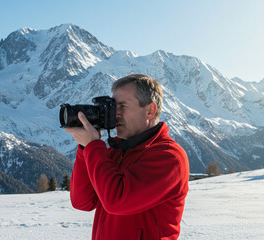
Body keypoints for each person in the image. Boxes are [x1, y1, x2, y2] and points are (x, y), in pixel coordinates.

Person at [65, 74, 189, 240]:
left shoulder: (169, 157)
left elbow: (116, 201)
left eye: (122, 106)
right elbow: (83, 201)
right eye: (114, 107)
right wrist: (85, 148)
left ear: (150, 111)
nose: (115, 114)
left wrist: (93, 146)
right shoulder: (117, 150)